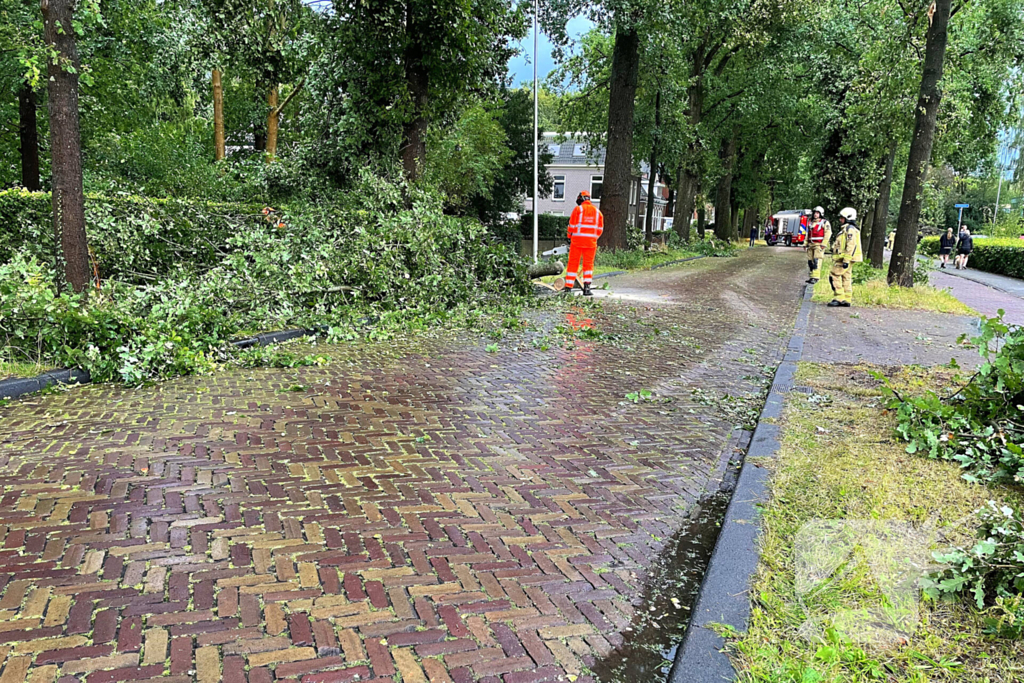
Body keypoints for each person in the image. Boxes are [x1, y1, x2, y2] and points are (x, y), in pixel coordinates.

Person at [564, 190, 604, 296]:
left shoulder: (578, 209)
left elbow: (571, 225)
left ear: (581, 198)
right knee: (588, 265)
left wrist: (569, 237)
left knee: (573, 263)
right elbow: (600, 229)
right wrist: (593, 238)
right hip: (591, 243)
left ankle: (568, 287)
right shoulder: (597, 212)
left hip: (577, 242)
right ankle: (586, 288)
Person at [828, 207, 863, 308]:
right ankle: (847, 299)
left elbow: (851, 245)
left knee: (834, 275)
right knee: (846, 277)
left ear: (848, 218)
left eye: (842, 218)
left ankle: (839, 298)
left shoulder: (850, 229)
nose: (840, 220)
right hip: (845, 258)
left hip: (845, 259)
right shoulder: (847, 229)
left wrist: (846, 260)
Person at [805, 206, 832, 284]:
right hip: (811, 245)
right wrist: (805, 243)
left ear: (821, 214)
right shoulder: (811, 222)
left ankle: (816, 277)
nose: (815, 215)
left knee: (817, 261)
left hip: (819, 245)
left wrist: (824, 244)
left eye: (817, 213)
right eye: (815, 213)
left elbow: (828, 233)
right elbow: (808, 233)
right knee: (810, 261)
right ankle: (811, 276)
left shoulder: (824, 222)